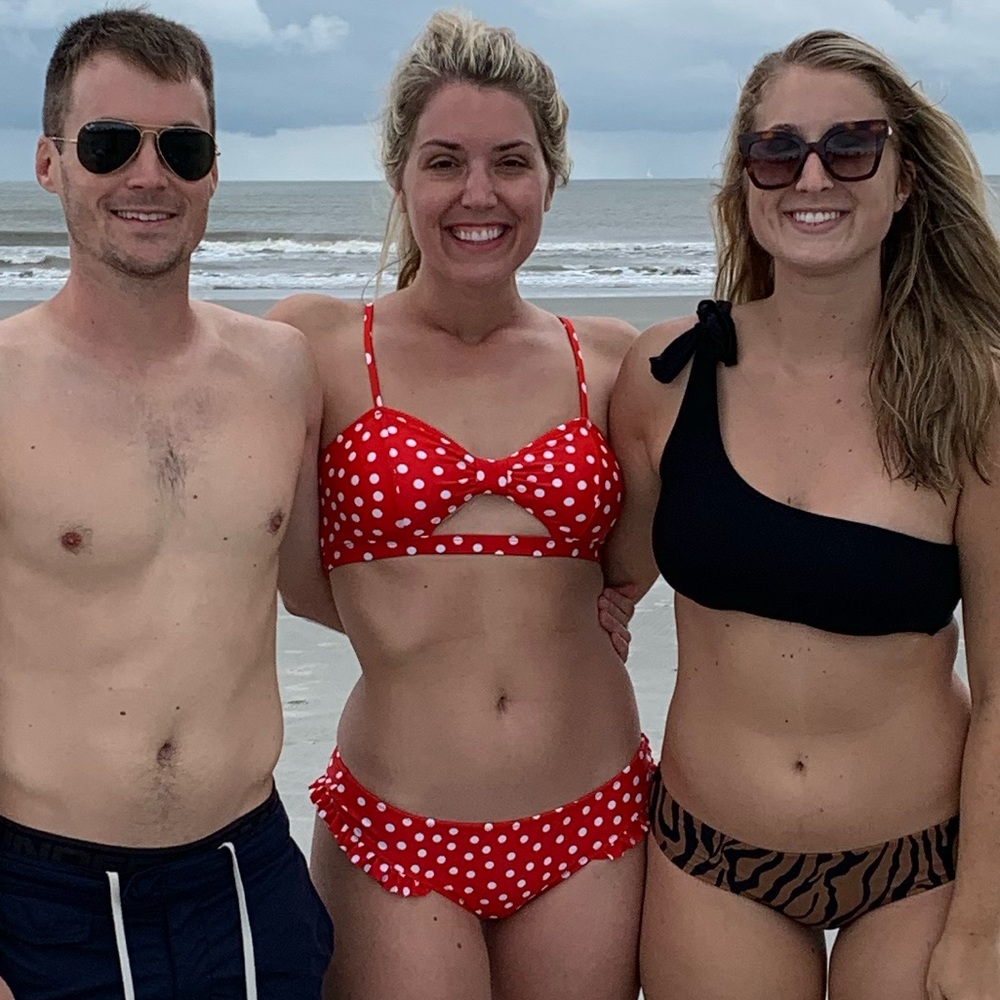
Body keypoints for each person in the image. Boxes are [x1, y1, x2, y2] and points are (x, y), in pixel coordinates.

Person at [607, 27, 1000, 1000]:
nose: (810, 175)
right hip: (711, 865)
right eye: (777, 150)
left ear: (902, 180)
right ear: (745, 181)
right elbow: (599, 580)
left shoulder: (969, 399)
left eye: (849, 147)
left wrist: (981, 929)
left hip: (918, 870)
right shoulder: (666, 379)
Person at [271, 10, 651, 1000]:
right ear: (400, 174)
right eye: (444, 161)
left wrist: (604, 598)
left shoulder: (611, 362)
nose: (478, 194)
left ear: (550, 178)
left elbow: (679, 518)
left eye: (511, 163)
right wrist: (401, 614)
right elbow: (287, 563)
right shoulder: (316, 350)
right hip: (399, 829)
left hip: (591, 823)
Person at [0, 9, 334, 998]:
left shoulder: (281, 372)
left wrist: (567, 593)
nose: (149, 175)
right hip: (43, 896)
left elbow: (330, 586)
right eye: (110, 144)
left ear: (214, 172)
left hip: (247, 873)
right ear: (51, 164)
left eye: (181, 147)